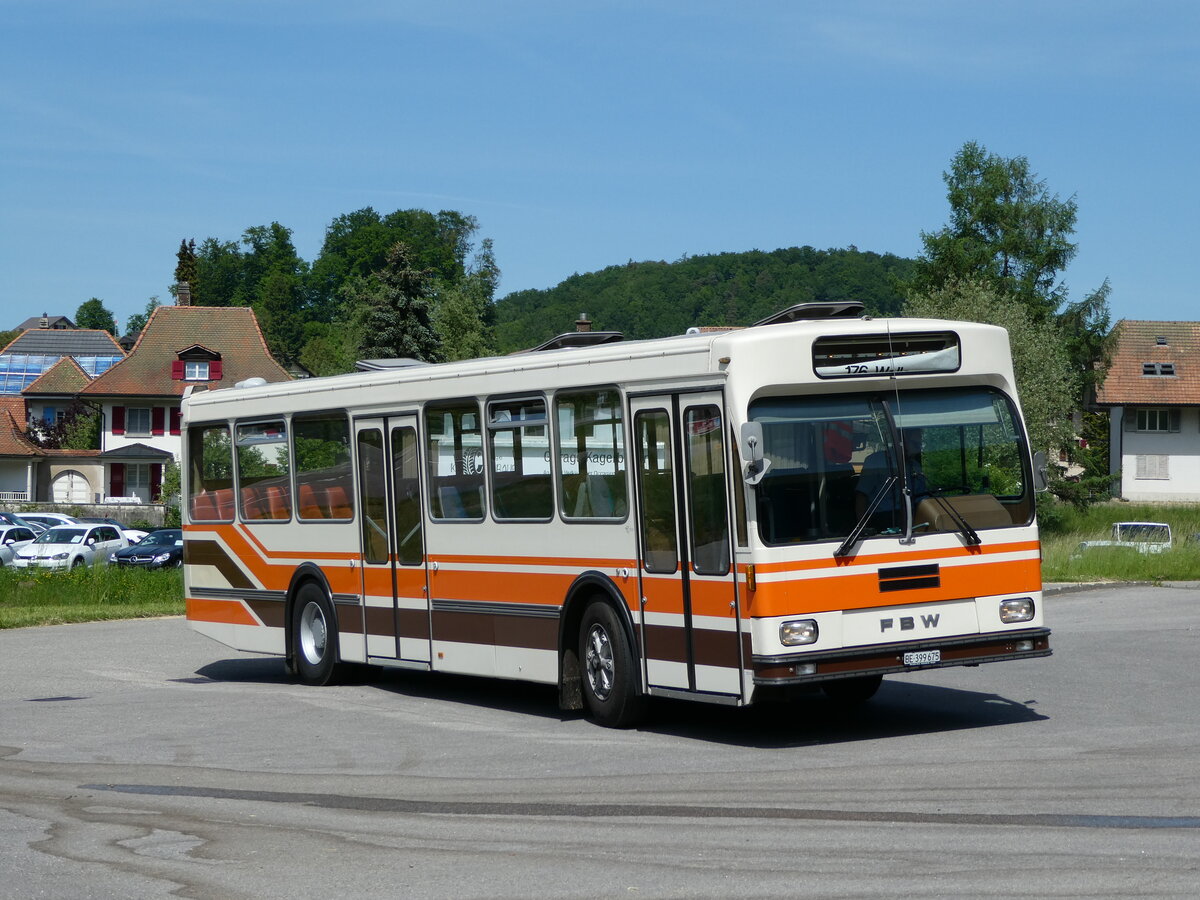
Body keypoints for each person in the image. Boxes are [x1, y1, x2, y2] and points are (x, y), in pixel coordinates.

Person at [855, 427, 926, 527]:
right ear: (901, 442)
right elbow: (861, 496)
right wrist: (862, 527)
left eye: (919, 445)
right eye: (915, 444)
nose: (919, 449)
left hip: (910, 517)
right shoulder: (876, 461)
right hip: (881, 518)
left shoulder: (915, 467)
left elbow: (922, 498)